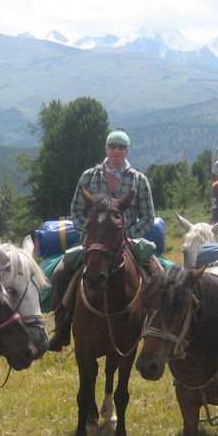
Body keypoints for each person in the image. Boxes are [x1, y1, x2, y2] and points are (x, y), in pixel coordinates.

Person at [47, 128, 157, 352]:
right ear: (106, 149)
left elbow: (148, 216)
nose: (117, 150)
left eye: (121, 147)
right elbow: (77, 210)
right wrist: (88, 236)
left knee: (158, 275)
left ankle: (154, 329)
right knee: (60, 273)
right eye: (113, 146)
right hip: (94, 242)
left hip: (127, 241)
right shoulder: (89, 177)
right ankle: (61, 329)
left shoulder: (139, 180)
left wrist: (127, 236)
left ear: (127, 150)